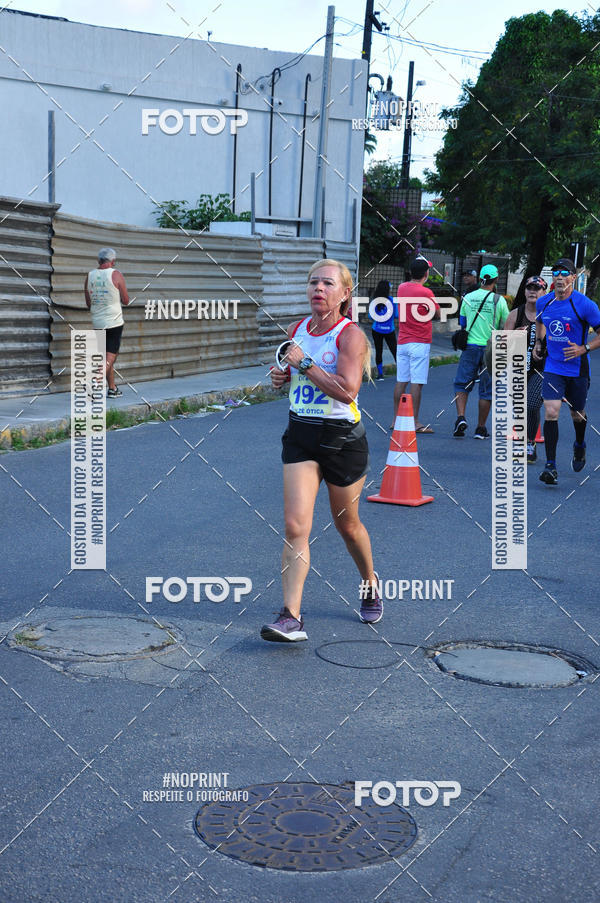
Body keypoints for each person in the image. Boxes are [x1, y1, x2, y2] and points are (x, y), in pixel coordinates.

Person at [261, 259, 380, 642]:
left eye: (328, 283)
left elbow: (347, 391)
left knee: (348, 526)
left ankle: (370, 582)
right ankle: (290, 616)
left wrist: (305, 364)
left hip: (342, 441)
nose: (318, 288)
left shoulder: (351, 336)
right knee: (295, 526)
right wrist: (282, 376)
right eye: (313, 282)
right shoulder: (297, 330)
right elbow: (293, 373)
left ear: (345, 293)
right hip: (301, 435)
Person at [533, 258, 600, 485]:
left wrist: (584, 348)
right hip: (553, 366)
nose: (560, 277)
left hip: (578, 368)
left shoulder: (585, 305)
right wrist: (539, 343)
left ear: (573, 277)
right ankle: (550, 466)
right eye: (556, 273)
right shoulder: (544, 302)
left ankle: (579, 444)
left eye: (564, 273)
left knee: (576, 413)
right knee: (551, 411)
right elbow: (540, 322)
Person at [453, 264, 509, 438]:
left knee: (462, 383)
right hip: (490, 349)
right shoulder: (499, 300)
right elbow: (505, 326)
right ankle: (480, 428)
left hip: (470, 346)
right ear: (496, 280)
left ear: (480, 279)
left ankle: (461, 417)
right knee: (486, 389)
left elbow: (463, 323)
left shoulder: (468, 297)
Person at [503, 275, 548, 463]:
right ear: (524, 291)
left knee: (531, 404)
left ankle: (529, 442)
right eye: (529, 288)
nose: (532, 291)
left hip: (541, 369)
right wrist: (514, 335)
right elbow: (502, 343)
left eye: (537, 289)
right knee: (520, 408)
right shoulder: (516, 314)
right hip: (518, 368)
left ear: (544, 292)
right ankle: (524, 442)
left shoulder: (549, 313)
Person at [393, 257, 440, 432]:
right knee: (416, 382)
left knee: (401, 381)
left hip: (402, 341)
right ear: (426, 274)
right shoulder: (426, 292)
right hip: (420, 341)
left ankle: (396, 420)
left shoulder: (401, 288)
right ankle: (414, 422)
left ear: (411, 272)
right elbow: (437, 314)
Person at [84, 247, 130, 397]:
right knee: (111, 356)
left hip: (97, 322)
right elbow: (126, 300)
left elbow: (88, 303)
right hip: (114, 322)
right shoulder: (116, 274)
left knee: (105, 357)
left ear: (98, 260)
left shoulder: (90, 276)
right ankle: (95, 381)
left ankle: (112, 389)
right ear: (113, 261)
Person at [369, 279, 397, 380]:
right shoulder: (392, 300)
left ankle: (380, 374)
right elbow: (396, 315)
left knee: (378, 350)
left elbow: (370, 316)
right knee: (394, 350)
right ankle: (402, 372)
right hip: (389, 330)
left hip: (376, 329)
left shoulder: (375, 301)